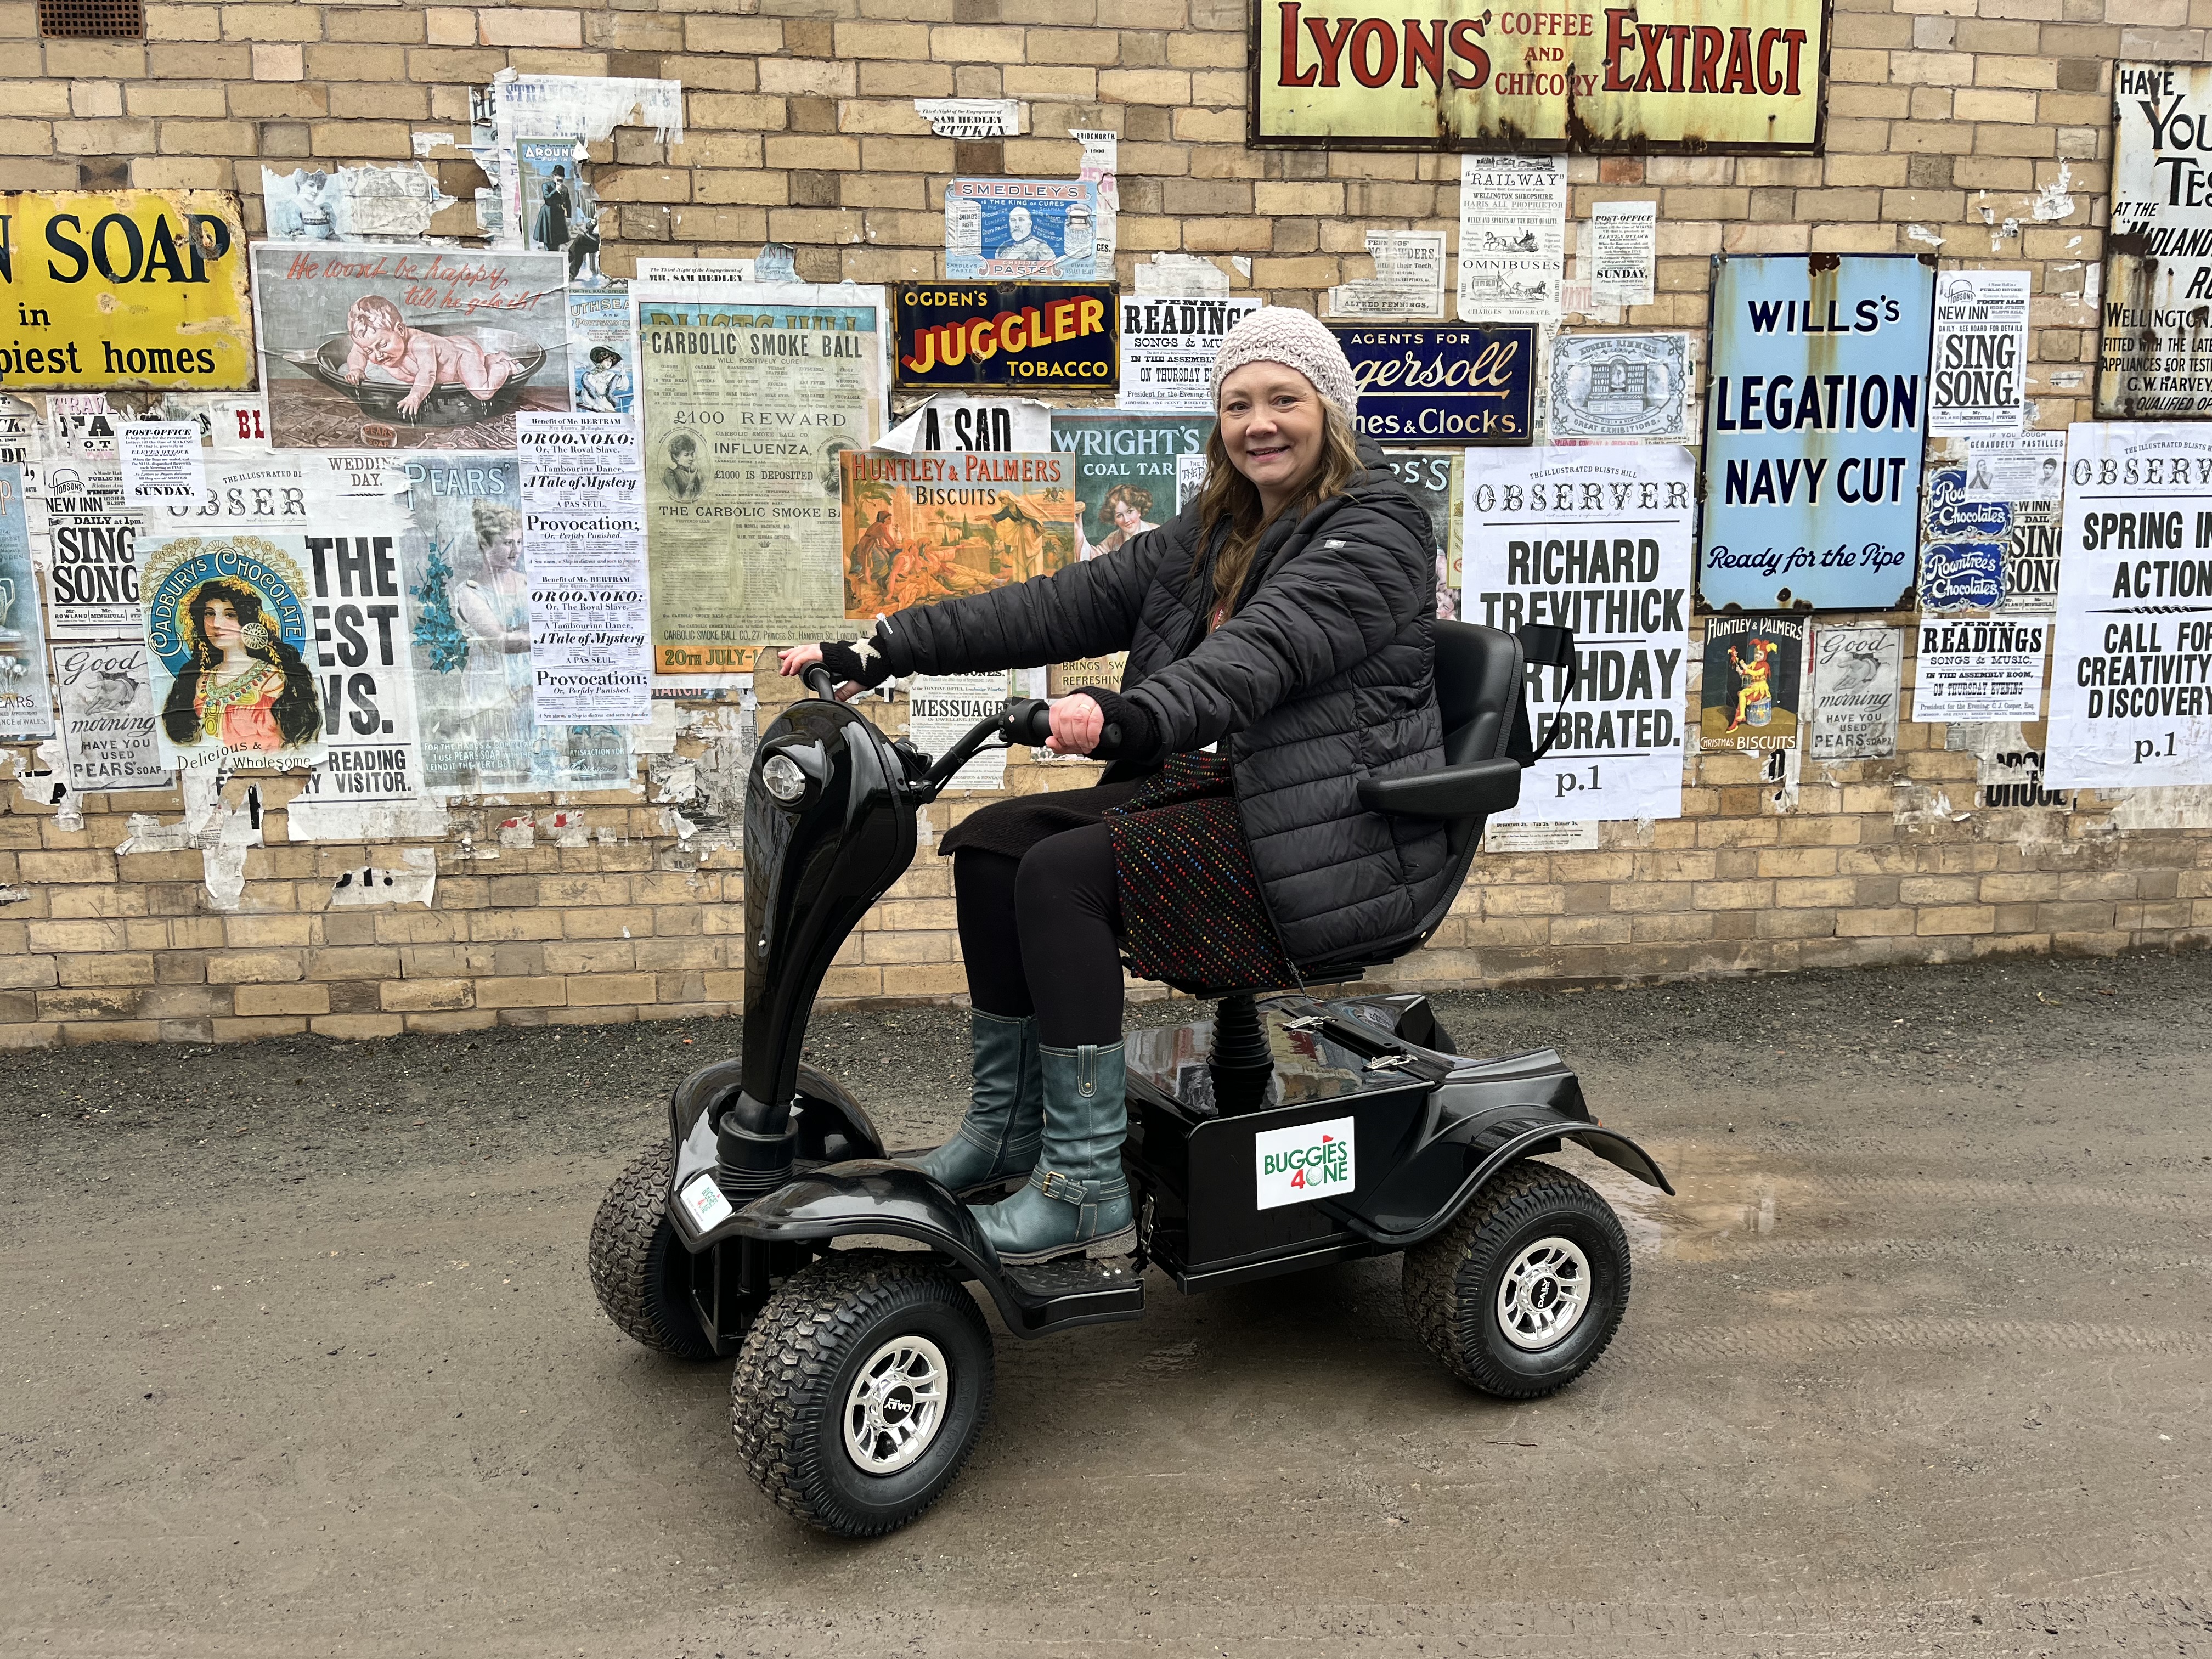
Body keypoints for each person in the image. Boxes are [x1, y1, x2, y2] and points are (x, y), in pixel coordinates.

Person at [780, 307, 1447, 1266]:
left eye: (1283, 400)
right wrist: (884, 647)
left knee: (1062, 873)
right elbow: (1062, 601)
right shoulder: (1213, 530)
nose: (1259, 422)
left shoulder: (1377, 531)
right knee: (991, 846)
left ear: (1331, 410)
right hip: (1221, 791)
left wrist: (1124, 714)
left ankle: (1087, 1184)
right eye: (1237, 403)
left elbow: (1260, 656)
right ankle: (1007, 1129)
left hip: (1329, 837)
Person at [160, 580, 319, 753]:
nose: (216, 624)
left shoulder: (271, 679)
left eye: (230, 615)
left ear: (247, 620)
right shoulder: (200, 681)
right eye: (209, 613)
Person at [1077, 483, 1157, 561]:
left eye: (1130, 512)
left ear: (1139, 510)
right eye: (1119, 515)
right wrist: (1079, 534)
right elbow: (1093, 557)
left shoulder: (1156, 533)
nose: (1126, 520)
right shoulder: (1114, 539)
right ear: (1114, 520)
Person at [577, 346, 630, 413]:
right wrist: (593, 405)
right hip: (594, 408)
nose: (609, 363)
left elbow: (624, 387)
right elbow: (586, 394)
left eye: (610, 361)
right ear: (600, 360)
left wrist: (623, 371)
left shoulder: (611, 376)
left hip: (607, 407)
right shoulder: (590, 376)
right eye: (606, 360)